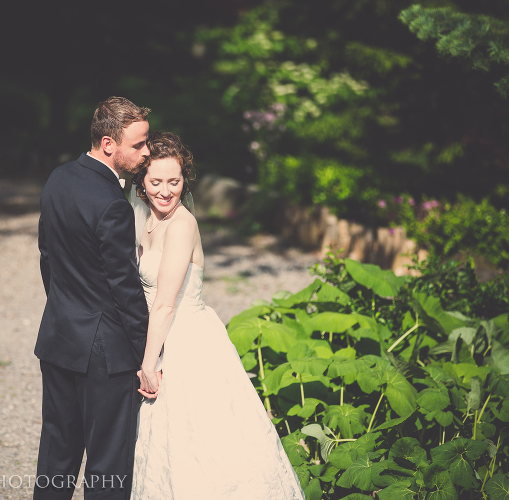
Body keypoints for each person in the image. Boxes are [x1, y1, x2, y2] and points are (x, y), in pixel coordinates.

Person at [130, 132, 306, 499]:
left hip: (187, 340)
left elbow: (164, 303)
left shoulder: (181, 225)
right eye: (156, 181)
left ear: (185, 180)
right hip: (159, 336)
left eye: (174, 182)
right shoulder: (144, 219)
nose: (165, 191)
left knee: (203, 443)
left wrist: (147, 364)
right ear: (142, 183)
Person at [34, 96, 152, 499]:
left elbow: (46, 256)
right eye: (138, 145)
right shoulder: (113, 205)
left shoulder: (58, 178)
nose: (146, 152)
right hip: (106, 355)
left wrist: (67, 309)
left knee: (56, 456)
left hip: (59, 338)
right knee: (107, 467)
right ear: (108, 144)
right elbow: (125, 287)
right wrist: (146, 352)